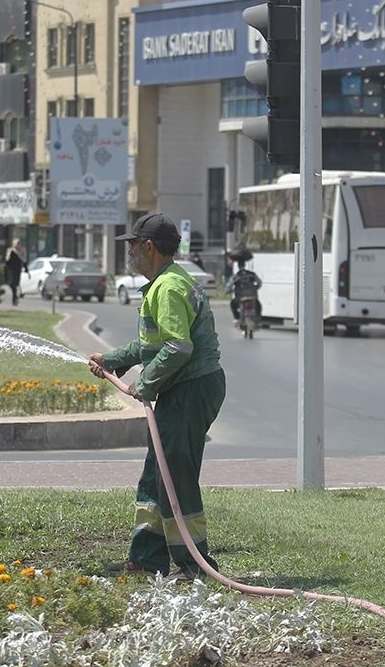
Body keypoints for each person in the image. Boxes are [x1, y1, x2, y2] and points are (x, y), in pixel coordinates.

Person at [88, 212, 225, 582]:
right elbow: (153, 344)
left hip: (190, 390)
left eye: (132, 246)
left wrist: (145, 383)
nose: (129, 253)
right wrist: (113, 359)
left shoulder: (168, 288)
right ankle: (148, 558)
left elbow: (179, 347)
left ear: (149, 247)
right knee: (156, 474)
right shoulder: (167, 283)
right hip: (184, 389)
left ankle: (194, 566)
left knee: (175, 476)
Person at [225, 251, 262, 324]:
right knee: (258, 305)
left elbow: (228, 286)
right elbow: (259, 283)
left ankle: (236, 318)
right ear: (245, 264)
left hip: (240, 298)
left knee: (233, 304)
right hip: (252, 296)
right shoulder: (251, 274)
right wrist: (256, 287)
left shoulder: (236, 276)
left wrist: (228, 290)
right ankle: (258, 319)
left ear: (238, 265)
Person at [3, 239, 29, 306]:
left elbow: (24, 260)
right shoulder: (10, 250)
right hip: (10, 269)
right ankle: (15, 296)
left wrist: (26, 269)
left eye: (18, 243)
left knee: (15, 283)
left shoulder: (22, 250)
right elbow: (7, 260)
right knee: (11, 284)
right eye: (16, 243)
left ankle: (14, 299)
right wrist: (9, 254)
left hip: (17, 269)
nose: (17, 245)